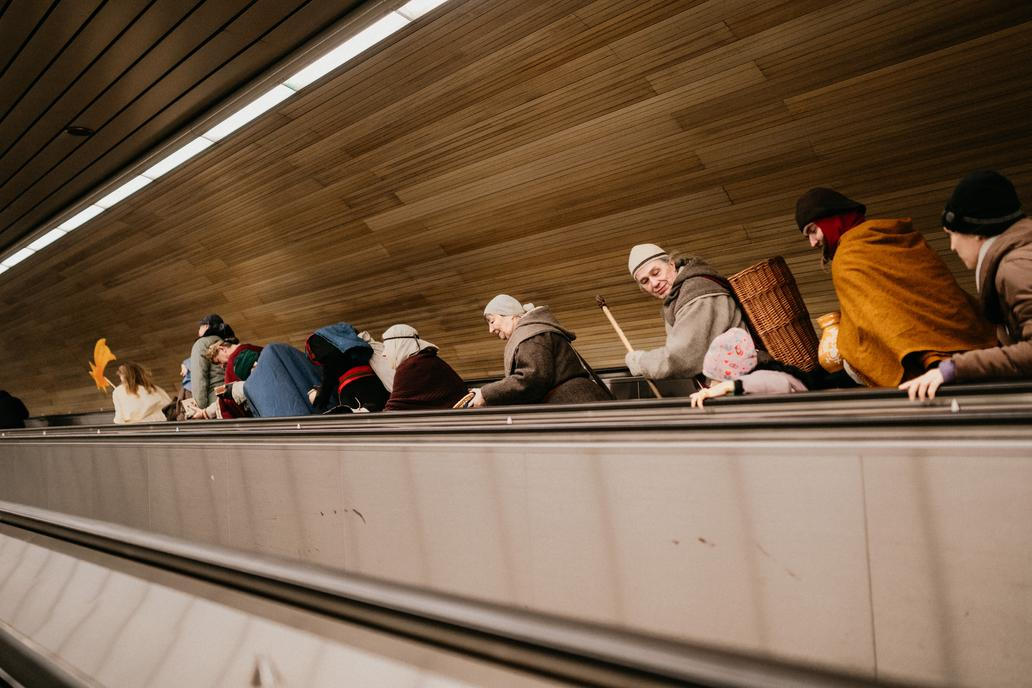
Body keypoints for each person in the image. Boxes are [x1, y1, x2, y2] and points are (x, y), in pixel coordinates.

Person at [795, 187, 997, 387]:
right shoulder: (901, 236)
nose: (813, 243)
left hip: (927, 364)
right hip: (978, 344)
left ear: (833, 219)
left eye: (813, 231)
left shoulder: (847, 256)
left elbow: (877, 321)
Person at [901, 171, 1031, 399]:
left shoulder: (1016, 268)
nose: (952, 246)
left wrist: (955, 368)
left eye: (951, 234)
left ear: (976, 233)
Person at [624, 243, 747, 383]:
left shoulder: (696, 291)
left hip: (744, 385)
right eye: (645, 281)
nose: (654, 283)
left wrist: (641, 362)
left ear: (671, 264)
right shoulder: (677, 298)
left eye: (656, 272)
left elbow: (683, 357)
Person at [471, 295, 612, 406]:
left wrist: (485, 394)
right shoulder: (536, 331)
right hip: (580, 401)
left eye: (492, 321)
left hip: (575, 405)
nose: (490, 330)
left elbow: (531, 380)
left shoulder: (531, 334)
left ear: (510, 315)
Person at [689, 329, 807, 407]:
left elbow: (774, 382)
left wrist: (726, 387)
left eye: (718, 380)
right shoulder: (749, 388)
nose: (711, 386)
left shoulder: (767, 376)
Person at [381, 324, 467, 411]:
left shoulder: (412, 366)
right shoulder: (427, 359)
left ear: (398, 346)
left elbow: (394, 408)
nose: (383, 354)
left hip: (451, 417)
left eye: (386, 347)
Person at [306, 322, 389, 412]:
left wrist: (321, 399)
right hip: (376, 384)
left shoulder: (324, 350)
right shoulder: (357, 346)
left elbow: (328, 378)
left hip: (351, 389)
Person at [195, 340, 264, 419]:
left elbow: (227, 399)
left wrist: (205, 413)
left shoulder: (232, 363)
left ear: (222, 349)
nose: (221, 366)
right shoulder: (252, 348)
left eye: (218, 361)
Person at [190, 314, 236, 413]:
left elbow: (199, 378)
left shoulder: (201, 344)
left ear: (206, 326)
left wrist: (201, 411)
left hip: (213, 403)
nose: (198, 330)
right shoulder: (225, 343)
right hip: (231, 399)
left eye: (200, 327)